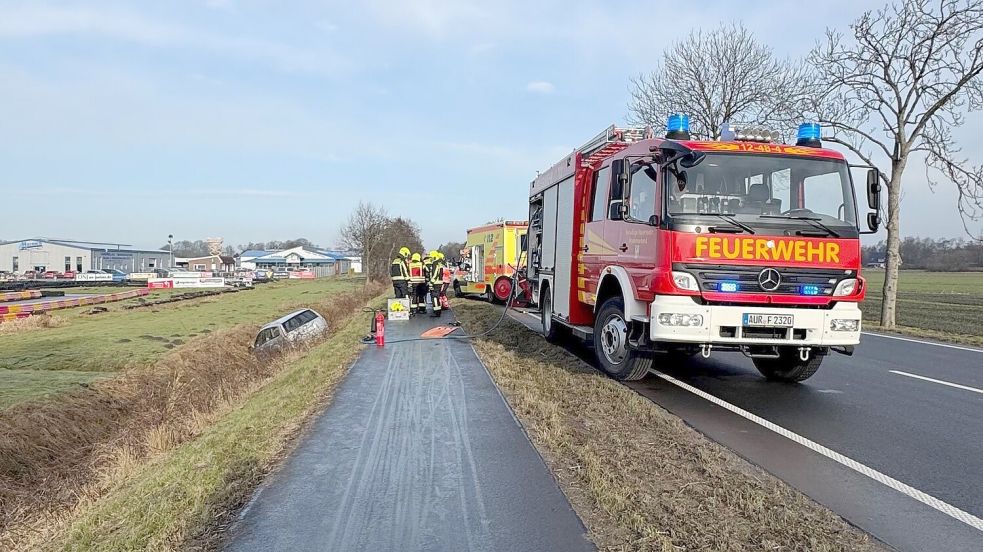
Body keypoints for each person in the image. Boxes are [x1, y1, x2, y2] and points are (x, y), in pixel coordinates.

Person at [427, 250, 444, 317]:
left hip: (435, 283)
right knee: (436, 297)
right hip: (438, 282)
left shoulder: (435, 263)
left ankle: (437, 312)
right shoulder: (439, 263)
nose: (430, 259)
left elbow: (435, 273)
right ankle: (438, 311)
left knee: (434, 297)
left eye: (431, 257)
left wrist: (431, 282)